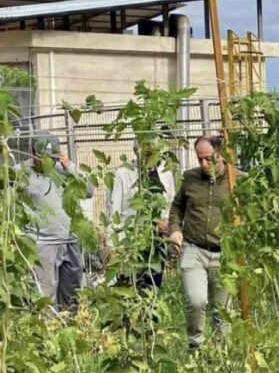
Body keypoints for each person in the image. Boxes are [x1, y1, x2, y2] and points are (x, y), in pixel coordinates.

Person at [168, 136, 232, 348]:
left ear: (220, 154)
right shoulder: (190, 178)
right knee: (196, 301)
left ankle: (221, 358)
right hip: (194, 249)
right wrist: (175, 230)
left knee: (222, 310)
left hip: (224, 253)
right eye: (200, 159)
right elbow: (177, 207)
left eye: (208, 159)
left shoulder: (236, 179)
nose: (204, 164)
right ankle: (195, 347)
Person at [22, 135, 92, 308]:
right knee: (45, 295)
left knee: (73, 293)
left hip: (69, 240)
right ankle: (48, 331)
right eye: (42, 158)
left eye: (51, 158)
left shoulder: (64, 171)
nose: (46, 162)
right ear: (32, 154)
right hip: (43, 243)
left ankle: (70, 329)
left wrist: (70, 167)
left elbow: (88, 192)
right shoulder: (21, 173)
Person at [106, 141, 176, 289]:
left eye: (152, 153)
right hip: (130, 239)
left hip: (155, 239)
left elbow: (171, 203)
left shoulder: (166, 173)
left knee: (153, 284)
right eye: (144, 153)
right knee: (129, 284)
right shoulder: (123, 173)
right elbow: (115, 211)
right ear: (135, 151)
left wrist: (166, 219)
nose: (148, 157)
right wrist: (114, 245)